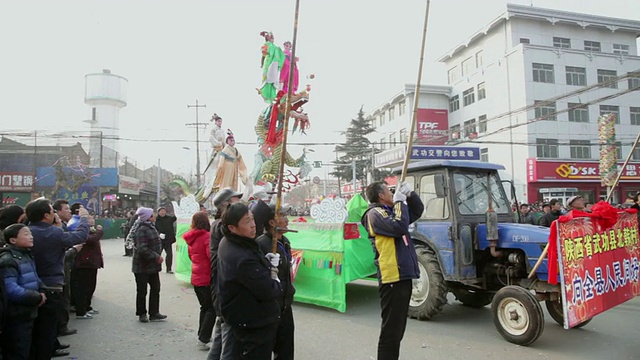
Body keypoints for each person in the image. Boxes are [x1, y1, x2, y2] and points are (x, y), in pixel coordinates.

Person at [361, 181, 424, 360]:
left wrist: (410, 195)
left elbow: (416, 212)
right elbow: (399, 227)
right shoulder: (374, 214)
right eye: (389, 191)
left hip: (402, 274)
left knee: (397, 329)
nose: (392, 193)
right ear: (381, 195)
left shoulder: (391, 212)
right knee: (391, 331)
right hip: (392, 276)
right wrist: (399, 203)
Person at [216, 202, 282, 359]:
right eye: (247, 221)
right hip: (253, 321)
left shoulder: (230, 241)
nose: (253, 225)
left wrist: (264, 263)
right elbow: (269, 290)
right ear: (232, 227)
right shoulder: (242, 257)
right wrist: (274, 276)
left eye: (252, 219)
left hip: (238, 315)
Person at [28, 199, 89, 359]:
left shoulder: (27, 231)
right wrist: (84, 218)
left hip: (32, 285)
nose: (55, 213)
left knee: (37, 327)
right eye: (52, 211)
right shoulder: (52, 233)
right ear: (46, 215)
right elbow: (80, 236)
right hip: (51, 286)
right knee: (47, 327)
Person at [254, 202, 295, 360]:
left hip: (285, 305)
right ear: (272, 222)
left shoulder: (284, 241)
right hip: (269, 308)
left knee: (285, 351)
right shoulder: (262, 244)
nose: (287, 219)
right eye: (283, 215)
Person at [0, 224, 46, 359]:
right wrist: (36, 297)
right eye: (26, 234)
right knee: (17, 350)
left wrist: (42, 289)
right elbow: (11, 290)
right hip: (17, 314)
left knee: (27, 348)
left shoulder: (25, 254)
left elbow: (35, 278)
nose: (31, 237)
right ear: (13, 240)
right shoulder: (8, 260)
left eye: (30, 233)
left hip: (28, 311)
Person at [207, 188, 243, 360]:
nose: (241, 203)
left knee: (221, 332)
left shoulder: (218, 225)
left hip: (221, 283)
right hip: (224, 284)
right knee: (229, 339)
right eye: (237, 200)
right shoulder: (222, 227)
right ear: (226, 204)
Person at [183, 212, 214, 351]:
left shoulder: (192, 237)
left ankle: (202, 334)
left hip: (196, 277)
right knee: (212, 309)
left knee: (204, 307)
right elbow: (211, 256)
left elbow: (191, 256)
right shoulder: (207, 237)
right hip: (207, 277)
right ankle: (203, 339)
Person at [131, 207, 167, 323]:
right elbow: (142, 249)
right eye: (153, 215)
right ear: (148, 217)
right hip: (142, 266)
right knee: (142, 291)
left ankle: (154, 313)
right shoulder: (142, 229)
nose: (155, 216)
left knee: (155, 288)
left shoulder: (151, 227)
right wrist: (156, 256)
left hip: (152, 266)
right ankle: (142, 313)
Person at [71, 215, 103, 319]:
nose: (92, 220)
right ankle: (81, 310)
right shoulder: (82, 231)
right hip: (85, 263)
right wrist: (99, 231)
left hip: (92, 262)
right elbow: (91, 240)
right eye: (89, 218)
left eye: (92, 218)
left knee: (90, 286)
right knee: (83, 288)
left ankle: (87, 307)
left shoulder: (92, 230)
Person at [154, 207, 177, 274]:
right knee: (157, 255)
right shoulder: (156, 219)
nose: (162, 212)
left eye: (163, 211)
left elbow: (175, 218)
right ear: (158, 212)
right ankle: (156, 268)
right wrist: (159, 234)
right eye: (161, 211)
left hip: (168, 240)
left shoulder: (169, 218)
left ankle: (169, 269)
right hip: (159, 241)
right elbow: (153, 228)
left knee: (169, 254)